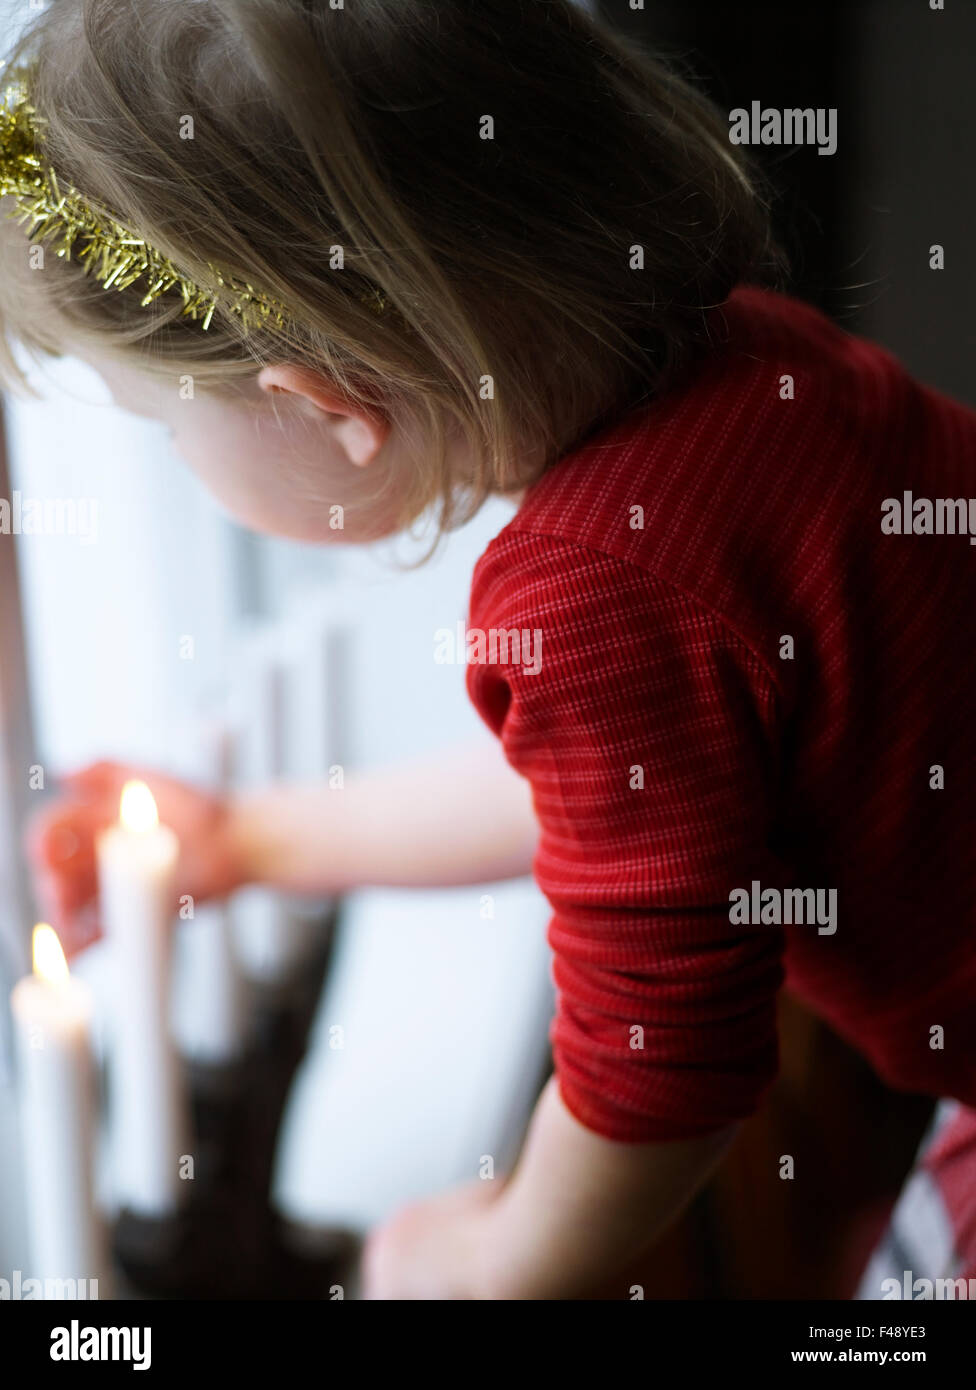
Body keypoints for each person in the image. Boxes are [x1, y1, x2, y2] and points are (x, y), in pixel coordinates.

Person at [4, 0, 974, 1299]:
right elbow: (636, 806)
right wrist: (254, 840)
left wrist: (499, 1258)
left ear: (326, 408)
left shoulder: (592, 586)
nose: (179, 458)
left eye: (170, 427)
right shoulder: (756, 365)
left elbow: (661, 1055)